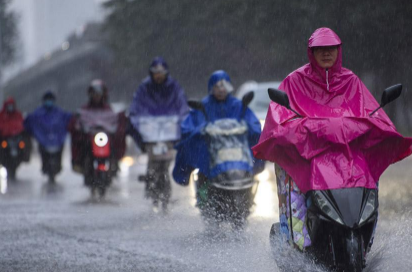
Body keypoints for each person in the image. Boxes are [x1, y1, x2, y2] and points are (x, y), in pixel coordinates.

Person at [252, 28, 412, 251]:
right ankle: (296, 248)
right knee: (290, 180)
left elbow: (372, 113)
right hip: (305, 156)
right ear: (311, 52)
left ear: (339, 51)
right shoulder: (294, 81)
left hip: (346, 159)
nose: (326, 53)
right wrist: (306, 132)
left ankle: (365, 237)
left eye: (331, 49)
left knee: (370, 177)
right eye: (321, 49)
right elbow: (279, 118)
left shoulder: (351, 81)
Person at [173, 70, 264, 207]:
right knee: (201, 165)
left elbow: (254, 126)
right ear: (211, 88)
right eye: (217, 86)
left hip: (237, 154)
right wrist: (203, 130)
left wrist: (247, 128)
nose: (221, 90)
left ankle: (247, 197)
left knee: (250, 166)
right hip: (211, 154)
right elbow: (188, 128)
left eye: (224, 86)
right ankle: (205, 199)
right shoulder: (203, 106)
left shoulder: (238, 105)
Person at [69, 80, 127, 181]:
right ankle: (84, 167)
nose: (96, 96)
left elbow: (116, 121)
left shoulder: (109, 110)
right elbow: (76, 123)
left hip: (106, 139)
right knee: (84, 147)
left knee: (114, 147)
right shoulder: (84, 110)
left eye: (99, 93)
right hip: (89, 139)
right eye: (94, 93)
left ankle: (114, 165)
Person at [128, 56, 189, 150]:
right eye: (156, 73)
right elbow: (135, 109)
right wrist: (139, 122)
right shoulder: (144, 88)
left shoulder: (174, 87)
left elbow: (183, 107)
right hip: (150, 134)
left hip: (172, 134)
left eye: (161, 72)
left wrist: (181, 120)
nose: (158, 76)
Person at [24, 91, 72, 181]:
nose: (49, 102)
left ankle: (57, 166)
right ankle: (45, 166)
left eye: (50, 100)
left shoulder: (59, 112)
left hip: (57, 141)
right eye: (47, 100)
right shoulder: (38, 113)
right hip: (44, 140)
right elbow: (30, 121)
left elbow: (67, 118)